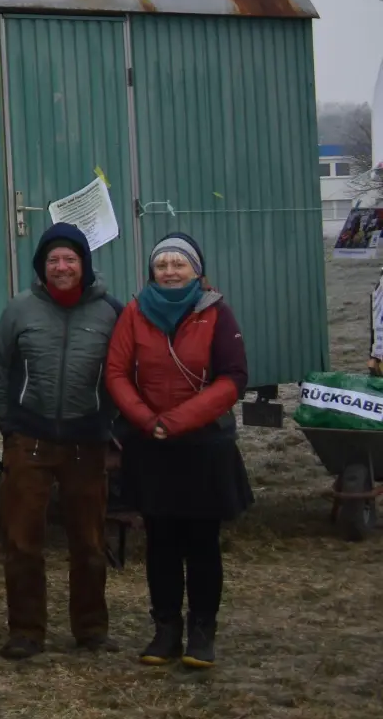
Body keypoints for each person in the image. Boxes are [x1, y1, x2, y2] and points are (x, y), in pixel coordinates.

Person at [104, 232, 252, 670]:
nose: (169, 271)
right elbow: (116, 371)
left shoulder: (216, 313)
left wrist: (178, 420)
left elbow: (233, 377)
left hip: (204, 443)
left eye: (178, 264)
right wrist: (146, 421)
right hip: (152, 444)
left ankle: (202, 631)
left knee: (202, 542)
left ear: (196, 270)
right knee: (161, 542)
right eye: (161, 264)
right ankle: (165, 629)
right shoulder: (134, 312)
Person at [0, 223, 124, 660]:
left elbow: (122, 372)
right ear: (41, 267)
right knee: (23, 540)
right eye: (53, 260)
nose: (61, 267)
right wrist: (11, 428)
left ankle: (91, 629)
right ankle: (26, 631)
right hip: (31, 439)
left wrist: (107, 423)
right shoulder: (20, 310)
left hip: (87, 442)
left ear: (84, 264)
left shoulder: (110, 312)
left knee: (88, 541)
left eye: (70, 259)